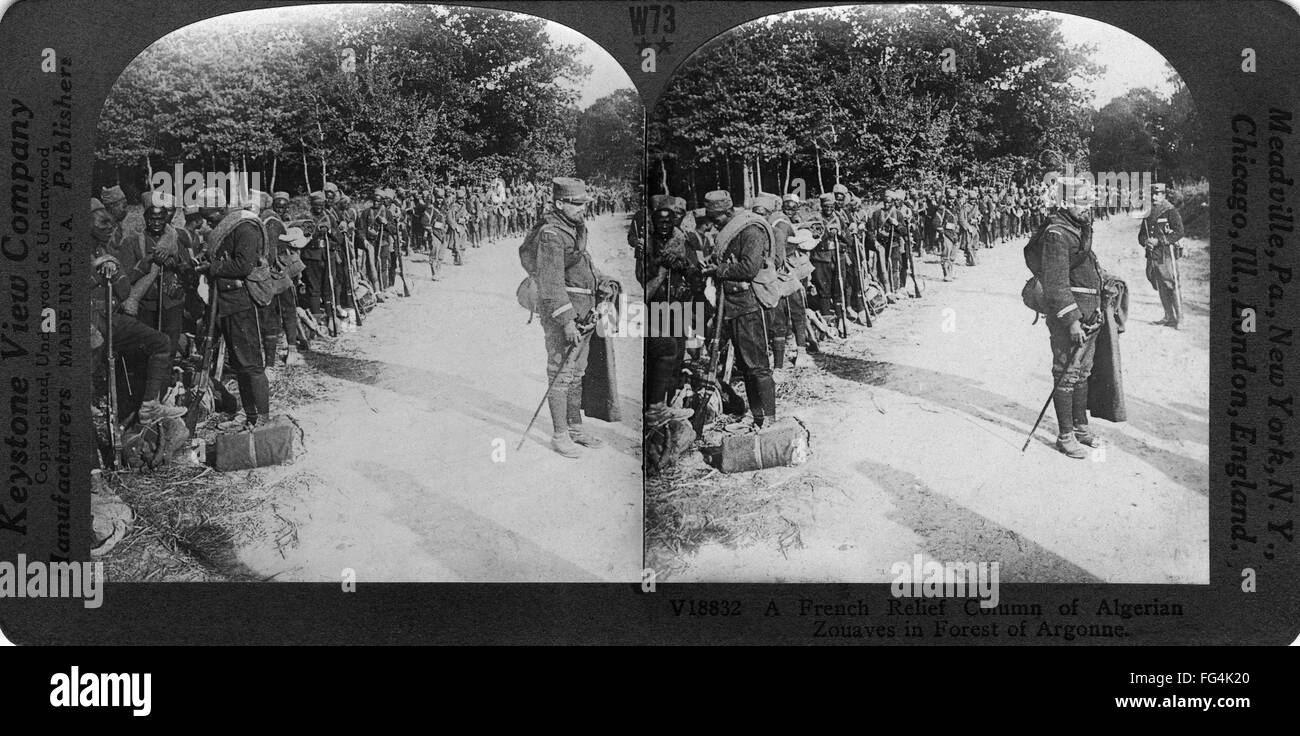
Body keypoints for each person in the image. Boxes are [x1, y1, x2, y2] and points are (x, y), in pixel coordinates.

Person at [530, 177, 616, 458]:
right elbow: (550, 284)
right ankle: (559, 434)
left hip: (585, 312)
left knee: (577, 372)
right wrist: (566, 321)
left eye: (584, 203)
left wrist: (602, 280)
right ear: (559, 203)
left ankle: (575, 428)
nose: (583, 209)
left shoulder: (574, 228)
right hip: (565, 317)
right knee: (560, 373)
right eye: (577, 204)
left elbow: (584, 264)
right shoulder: (551, 235)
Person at [90, 198, 186, 424]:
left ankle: (149, 407)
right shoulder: (120, 244)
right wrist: (99, 268)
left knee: (161, 343)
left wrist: (147, 263)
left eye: (110, 228)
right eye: (102, 228)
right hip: (93, 320)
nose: (109, 232)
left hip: (111, 316)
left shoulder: (103, 248)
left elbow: (123, 286)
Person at [194, 187, 270, 429]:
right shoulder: (226, 227)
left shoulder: (244, 226)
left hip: (243, 303)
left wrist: (212, 268)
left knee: (251, 364)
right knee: (239, 364)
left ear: (221, 210)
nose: (207, 223)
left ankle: (262, 418)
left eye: (210, 217)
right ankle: (249, 414)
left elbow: (242, 266)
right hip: (225, 302)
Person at [700, 190, 777, 428]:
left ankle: (769, 419)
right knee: (745, 367)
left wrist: (718, 270)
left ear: (729, 212)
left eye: (717, 219)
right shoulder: (730, 231)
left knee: (757, 367)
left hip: (749, 306)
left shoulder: (751, 230)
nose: (714, 225)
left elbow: (748, 268)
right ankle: (757, 418)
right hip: (732, 307)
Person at [1039, 178, 1104, 459]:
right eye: (1081, 201)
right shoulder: (1056, 234)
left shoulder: (1078, 229)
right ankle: (1065, 435)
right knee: (1066, 373)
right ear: (1064, 202)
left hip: (1090, 314)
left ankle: (1080, 427)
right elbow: (1056, 285)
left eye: (1089, 201)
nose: (1087, 207)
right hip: (1070, 318)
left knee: (1082, 373)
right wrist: (1072, 320)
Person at [1140, 184, 1185, 329]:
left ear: (1163, 195)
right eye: (1152, 194)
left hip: (1166, 254)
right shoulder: (1148, 213)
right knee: (1158, 283)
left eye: (1157, 194)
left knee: (1170, 284)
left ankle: (1180, 318)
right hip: (1152, 255)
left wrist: (1159, 241)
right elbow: (1141, 234)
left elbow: (1179, 232)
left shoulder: (1170, 211)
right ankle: (1169, 316)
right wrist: (1145, 241)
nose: (1154, 197)